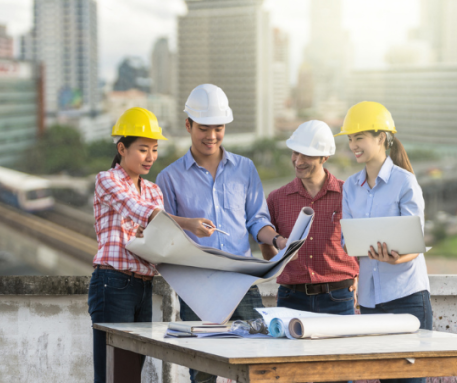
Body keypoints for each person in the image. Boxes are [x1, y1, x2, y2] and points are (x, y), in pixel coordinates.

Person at [156, 84, 287, 383]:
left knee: (257, 362)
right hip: (197, 288)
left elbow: (257, 221)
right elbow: (164, 236)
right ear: (188, 125)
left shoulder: (246, 169)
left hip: (242, 282)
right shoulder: (169, 178)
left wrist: (277, 240)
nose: (211, 136)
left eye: (218, 128)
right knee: (203, 370)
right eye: (204, 128)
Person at [88, 107, 214, 383]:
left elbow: (157, 236)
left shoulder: (154, 190)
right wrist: (189, 223)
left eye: (154, 150)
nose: (150, 157)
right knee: (112, 372)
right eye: (143, 149)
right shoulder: (107, 180)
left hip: (143, 286)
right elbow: (137, 210)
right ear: (122, 148)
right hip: (113, 283)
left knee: (132, 373)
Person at [337, 101, 431, 383]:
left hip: (408, 298)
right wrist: (353, 244)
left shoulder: (405, 183)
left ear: (381, 138)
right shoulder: (351, 187)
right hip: (370, 301)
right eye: (350, 138)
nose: (353, 144)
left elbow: (414, 242)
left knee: (410, 380)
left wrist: (395, 257)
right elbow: (346, 240)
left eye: (359, 138)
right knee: (385, 379)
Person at [267, 120, 359, 315]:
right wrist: (276, 264)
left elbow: (361, 241)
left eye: (306, 155)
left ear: (324, 157)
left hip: (339, 297)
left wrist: (360, 276)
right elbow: (264, 238)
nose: (298, 161)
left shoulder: (349, 194)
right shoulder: (277, 199)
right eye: (295, 153)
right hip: (291, 298)